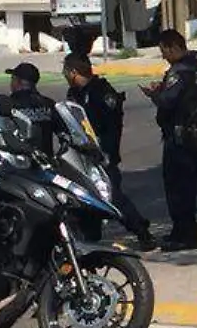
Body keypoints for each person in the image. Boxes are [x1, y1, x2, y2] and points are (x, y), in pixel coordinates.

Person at [62, 53, 157, 250]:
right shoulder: (75, 94)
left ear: (73, 72)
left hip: (102, 155)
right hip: (81, 155)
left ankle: (142, 231)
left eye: (65, 71)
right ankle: (89, 238)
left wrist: (105, 153)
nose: (64, 75)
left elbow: (112, 127)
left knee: (112, 197)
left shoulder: (101, 92)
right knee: (83, 197)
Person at [141, 29, 197, 251]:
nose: (163, 56)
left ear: (173, 47)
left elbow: (168, 101)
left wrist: (154, 94)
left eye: (164, 51)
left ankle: (183, 235)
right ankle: (183, 232)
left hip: (178, 137)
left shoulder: (179, 71)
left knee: (177, 188)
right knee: (187, 187)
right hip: (193, 134)